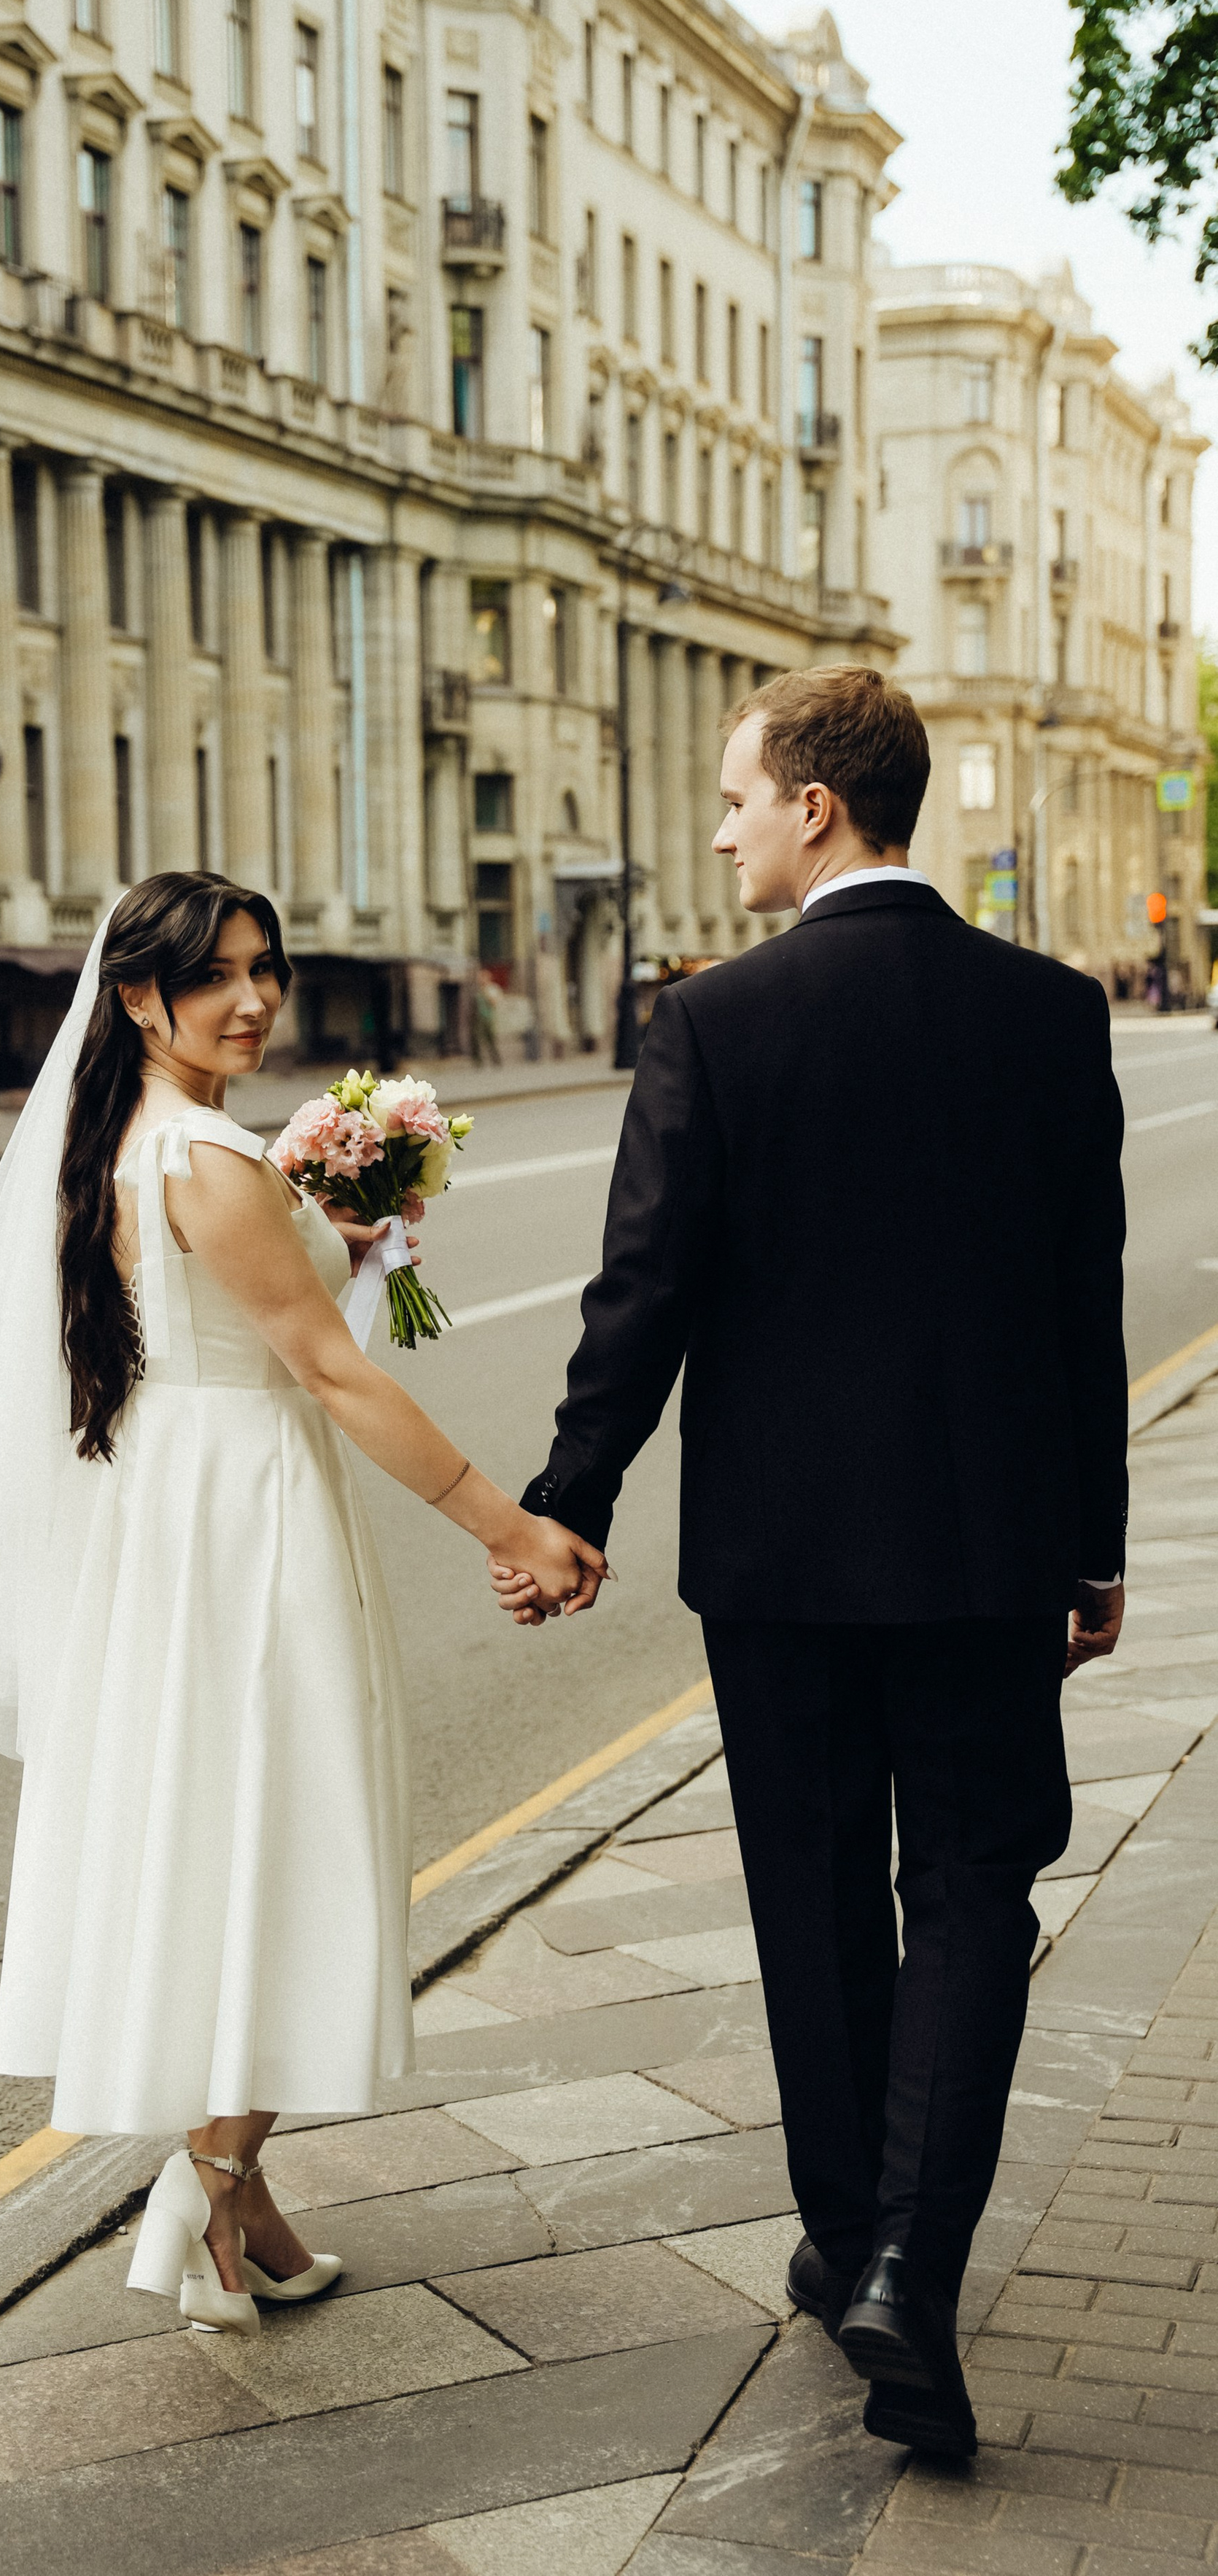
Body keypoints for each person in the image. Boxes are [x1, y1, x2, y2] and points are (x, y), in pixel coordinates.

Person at [494, 666, 1126, 2461]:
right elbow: (1077, 1296)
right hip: (989, 1544)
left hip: (774, 1556)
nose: (717, 829)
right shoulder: (1045, 1011)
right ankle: (905, 2267)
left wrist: (575, 1495)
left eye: (732, 798)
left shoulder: (714, 1021)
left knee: (815, 1895)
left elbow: (645, 1293)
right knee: (976, 1889)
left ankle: (851, 2234)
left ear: (814, 809)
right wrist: (1091, 1539)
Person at [0, 872, 603, 2336]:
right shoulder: (207, 1156)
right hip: (242, 1521)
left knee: (228, 1841)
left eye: (264, 967)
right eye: (217, 975)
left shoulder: (126, 1143)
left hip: (168, 1510)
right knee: (292, 1837)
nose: (254, 996)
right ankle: (213, 2184)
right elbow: (329, 1374)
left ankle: (240, 2211)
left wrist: (350, 1219)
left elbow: (240, 1310)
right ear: (138, 995)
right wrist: (507, 1525)